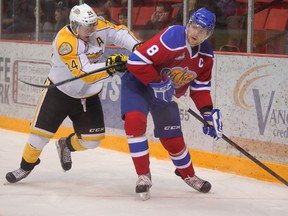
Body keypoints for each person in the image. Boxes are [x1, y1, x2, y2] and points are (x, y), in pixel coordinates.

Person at [5, 3, 141, 184]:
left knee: (93, 141)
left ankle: (65, 145)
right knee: (38, 137)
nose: (91, 30)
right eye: (86, 27)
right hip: (60, 92)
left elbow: (120, 33)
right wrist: (111, 66)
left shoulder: (97, 26)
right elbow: (84, 73)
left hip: (87, 95)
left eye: (92, 25)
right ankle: (25, 166)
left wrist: (138, 48)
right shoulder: (65, 42)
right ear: (75, 26)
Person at [121, 8, 223, 200]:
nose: (195, 33)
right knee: (135, 122)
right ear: (188, 24)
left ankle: (188, 175)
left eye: (202, 31)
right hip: (139, 83)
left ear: (208, 34)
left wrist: (207, 113)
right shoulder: (173, 36)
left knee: (173, 138)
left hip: (166, 94)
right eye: (194, 27)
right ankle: (143, 175)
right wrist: (157, 82)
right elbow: (135, 62)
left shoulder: (206, 55)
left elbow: (200, 88)